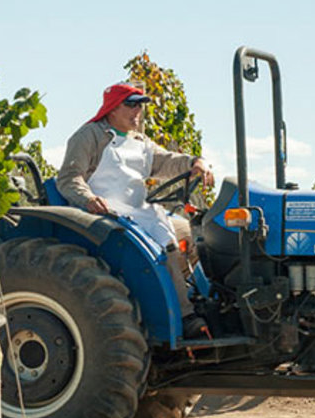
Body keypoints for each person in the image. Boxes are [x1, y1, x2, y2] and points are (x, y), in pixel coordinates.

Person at [56, 82, 214, 339]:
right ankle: (185, 316)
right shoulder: (90, 136)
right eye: (130, 104)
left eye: (140, 105)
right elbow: (69, 178)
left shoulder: (140, 142)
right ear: (112, 108)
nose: (137, 110)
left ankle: (198, 299)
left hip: (139, 211)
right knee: (164, 247)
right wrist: (88, 198)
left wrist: (194, 162)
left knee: (190, 235)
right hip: (106, 212)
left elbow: (165, 160)